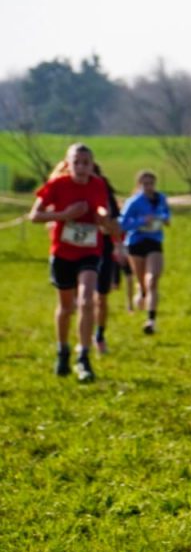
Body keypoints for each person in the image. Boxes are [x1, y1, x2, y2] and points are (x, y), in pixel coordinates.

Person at [29, 143, 121, 382]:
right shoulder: (57, 185)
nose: (81, 167)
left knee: (87, 300)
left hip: (90, 250)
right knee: (66, 308)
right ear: (68, 164)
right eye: (76, 163)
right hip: (62, 252)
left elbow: (106, 216)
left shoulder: (98, 184)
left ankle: (84, 357)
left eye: (86, 163)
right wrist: (64, 215)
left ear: (92, 165)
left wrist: (104, 220)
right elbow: (34, 216)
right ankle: (63, 351)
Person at [121, 170, 171, 334]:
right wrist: (142, 221)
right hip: (136, 243)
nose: (149, 187)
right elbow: (122, 224)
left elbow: (166, 212)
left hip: (154, 241)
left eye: (151, 183)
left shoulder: (161, 198)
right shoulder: (134, 202)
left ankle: (151, 320)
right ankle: (141, 292)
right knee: (142, 281)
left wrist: (164, 218)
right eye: (145, 184)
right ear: (139, 185)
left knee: (152, 280)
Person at [92, 163, 125, 354]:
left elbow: (115, 223)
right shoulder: (68, 188)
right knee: (84, 297)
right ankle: (84, 337)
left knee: (101, 297)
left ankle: (99, 335)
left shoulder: (104, 191)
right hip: (76, 250)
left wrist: (119, 245)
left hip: (103, 248)